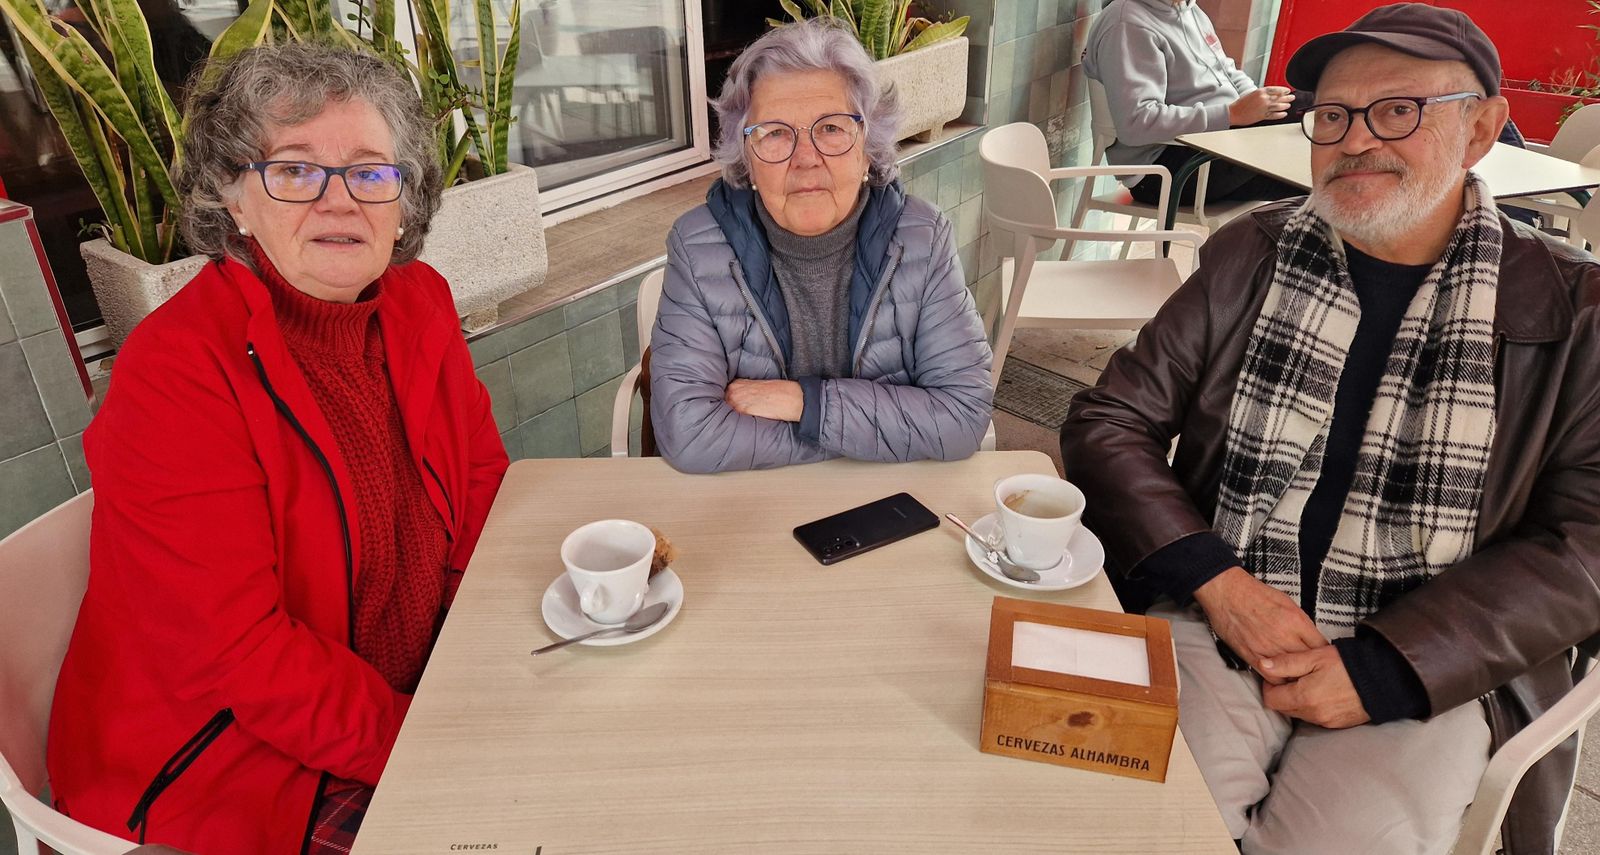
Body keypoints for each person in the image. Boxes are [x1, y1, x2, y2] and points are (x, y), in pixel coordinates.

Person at [1061, 5, 1600, 854]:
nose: (1355, 141)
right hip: (1223, 620)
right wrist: (1221, 586)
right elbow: (1111, 419)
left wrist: (1389, 667)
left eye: (1399, 110)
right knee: (1130, 827)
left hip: (1436, 664)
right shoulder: (1253, 253)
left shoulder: (1573, 312)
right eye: (1334, 116)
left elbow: (1588, 542)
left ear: (1482, 127)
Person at [46, 43, 509, 854]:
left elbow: (481, 490)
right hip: (232, 760)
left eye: (371, 172)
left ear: (405, 200)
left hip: (404, 698)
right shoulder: (176, 372)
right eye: (294, 172)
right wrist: (433, 735)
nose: (340, 203)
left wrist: (480, 661)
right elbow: (243, 658)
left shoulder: (418, 302)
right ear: (235, 198)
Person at [649, 18, 993, 473]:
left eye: (831, 128)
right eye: (774, 133)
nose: (806, 160)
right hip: (753, 507)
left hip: (891, 501)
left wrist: (806, 404)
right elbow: (691, 436)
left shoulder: (923, 239)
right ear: (745, 159)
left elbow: (963, 415)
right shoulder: (698, 249)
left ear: (868, 147)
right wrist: (885, 433)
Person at [1083, 0, 1302, 205]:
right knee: (1311, 109)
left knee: (1316, 184)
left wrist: (1262, 106)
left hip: (1213, 149)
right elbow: (1136, 123)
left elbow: (1228, 72)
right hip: (1166, 171)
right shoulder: (1127, 24)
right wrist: (1232, 115)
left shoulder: (1189, 10)